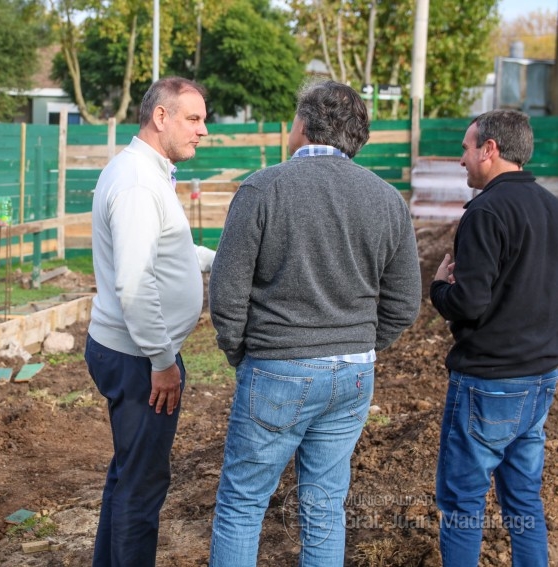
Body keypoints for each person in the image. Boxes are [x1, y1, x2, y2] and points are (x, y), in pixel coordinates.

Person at [208, 79, 421, 566]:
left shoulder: (263, 188)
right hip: (353, 373)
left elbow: (226, 292)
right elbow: (405, 301)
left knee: (243, 506)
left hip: (277, 367)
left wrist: (240, 352)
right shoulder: (388, 200)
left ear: (302, 125)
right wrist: (362, 342)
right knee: (325, 508)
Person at [85, 76, 215, 567]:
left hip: (135, 349)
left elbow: (166, 250)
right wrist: (163, 361)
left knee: (129, 474)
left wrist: (211, 259)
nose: (203, 131)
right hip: (139, 356)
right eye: (194, 118)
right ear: (161, 117)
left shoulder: (148, 172)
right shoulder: (138, 183)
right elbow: (135, 284)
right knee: (141, 490)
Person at [430, 109, 558, 567]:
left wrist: (440, 288)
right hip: (540, 377)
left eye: (466, 148)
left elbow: (469, 304)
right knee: (524, 500)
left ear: (490, 149)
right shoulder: (550, 206)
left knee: (462, 505)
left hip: (488, 382)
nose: (461, 158)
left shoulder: (485, 211)